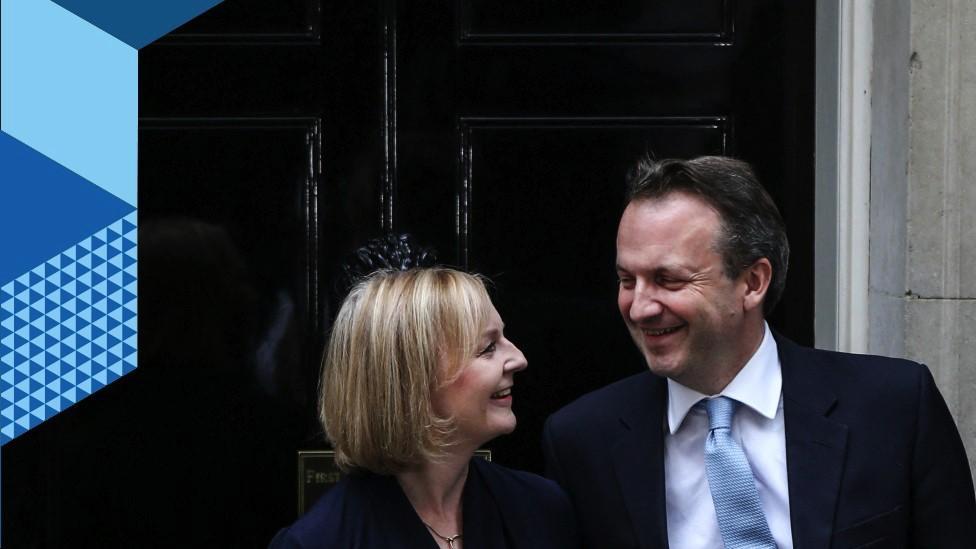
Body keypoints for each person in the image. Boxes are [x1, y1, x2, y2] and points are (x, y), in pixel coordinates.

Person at [542, 156, 976, 548]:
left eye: (669, 280)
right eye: (627, 280)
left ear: (752, 282)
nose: (639, 307)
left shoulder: (894, 407)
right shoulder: (584, 441)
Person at [271, 266, 578, 548]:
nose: (519, 359)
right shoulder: (320, 541)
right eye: (488, 348)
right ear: (411, 381)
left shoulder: (540, 510)